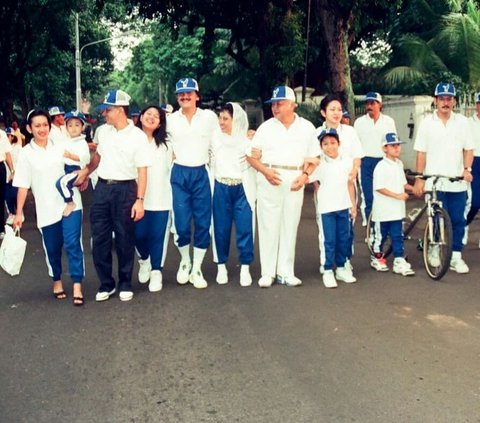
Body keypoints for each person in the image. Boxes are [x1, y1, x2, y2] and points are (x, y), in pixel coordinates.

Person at [75, 89, 151, 302]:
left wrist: (140, 200)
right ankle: (106, 283)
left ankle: (125, 282)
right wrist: (86, 172)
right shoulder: (103, 132)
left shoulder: (137, 136)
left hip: (126, 190)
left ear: (120, 110)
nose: (104, 113)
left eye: (108, 109)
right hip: (102, 189)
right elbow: (97, 159)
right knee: (99, 237)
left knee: (125, 237)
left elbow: (142, 170)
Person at [247, 85, 320, 288]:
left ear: (292, 105)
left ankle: (286, 271)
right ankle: (267, 272)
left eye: (280, 103)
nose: (275, 107)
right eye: (273, 104)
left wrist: (305, 177)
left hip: (294, 180)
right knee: (269, 225)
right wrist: (265, 171)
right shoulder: (266, 128)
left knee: (290, 225)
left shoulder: (306, 127)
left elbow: (314, 158)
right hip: (270, 178)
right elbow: (252, 157)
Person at [13, 109, 85, 305]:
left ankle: (77, 283)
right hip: (45, 208)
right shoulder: (26, 154)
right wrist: (19, 212)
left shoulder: (61, 145)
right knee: (52, 248)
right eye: (37, 126)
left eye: (45, 125)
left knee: (72, 244)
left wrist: (82, 177)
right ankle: (57, 279)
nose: (42, 129)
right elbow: (22, 185)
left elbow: (79, 164)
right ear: (29, 129)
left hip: (70, 204)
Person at [413, 82, 474, 274]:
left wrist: (467, 169)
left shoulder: (463, 123)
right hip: (434, 181)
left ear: (454, 101)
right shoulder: (426, 123)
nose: (445, 102)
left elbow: (469, 149)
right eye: (442, 99)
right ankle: (434, 248)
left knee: (458, 219)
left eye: (449, 99)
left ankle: (456, 255)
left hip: (457, 181)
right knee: (436, 219)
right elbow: (421, 153)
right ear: (435, 100)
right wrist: (420, 178)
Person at [167, 77, 220, 289]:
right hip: (179, 173)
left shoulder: (209, 117)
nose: (185, 96)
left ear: (197, 95)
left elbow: (222, 138)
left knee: (202, 222)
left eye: (189, 92)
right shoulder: (170, 119)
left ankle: (197, 267)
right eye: (181, 93)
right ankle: (185, 261)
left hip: (201, 173)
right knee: (180, 223)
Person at [316, 94, 364, 272]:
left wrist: (354, 171)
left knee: (346, 227)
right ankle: (326, 261)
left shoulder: (349, 132)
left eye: (339, 109)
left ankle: (344, 260)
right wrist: (317, 187)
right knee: (326, 227)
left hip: (348, 185)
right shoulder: (316, 134)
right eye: (332, 109)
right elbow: (314, 163)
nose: (336, 113)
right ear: (323, 112)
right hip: (325, 187)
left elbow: (357, 156)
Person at [211, 102, 256, 287]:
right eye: (220, 118)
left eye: (225, 119)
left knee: (245, 228)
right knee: (221, 229)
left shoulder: (247, 141)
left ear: (235, 120)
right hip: (221, 187)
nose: (221, 122)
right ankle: (221, 266)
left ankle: (245, 266)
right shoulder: (214, 138)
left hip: (242, 189)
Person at [311, 128, 357, 288]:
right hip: (326, 208)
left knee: (343, 238)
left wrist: (353, 206)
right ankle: (328, 269)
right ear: (321, 146)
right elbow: (310, 177)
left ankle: (342, 267)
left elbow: (350, 184)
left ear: (339, 143)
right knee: (329, 240)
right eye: (325, 144)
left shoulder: (347, 161)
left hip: (344, 206)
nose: (330, 147)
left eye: (332, 143)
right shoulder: (320, 163)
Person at [135, 105, 173, 292]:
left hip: (161, 197)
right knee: (139, 235)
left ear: (160, 123)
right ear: (140, 117)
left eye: (156, 116)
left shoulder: (166, 144)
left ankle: (157, 271)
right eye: (148, 114)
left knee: (158, 236)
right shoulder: (132, 140)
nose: (151, 117)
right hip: (137, 199)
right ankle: (144, 260)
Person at [370, 133, 415, 276]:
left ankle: (399, 259)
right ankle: (377, 257)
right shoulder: (381, 166)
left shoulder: (399, 164)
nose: (396, 148)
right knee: (380, 236)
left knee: (397, 235)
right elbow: (379, 187)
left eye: (398, 145)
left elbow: (403, 183)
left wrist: (414, 189)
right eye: (392, 145)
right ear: (385, 148)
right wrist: (397, 196)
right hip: (383, 211)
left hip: (397, 210)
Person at [354, 92, 397, 224]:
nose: (369, 106)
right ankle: (371, 229)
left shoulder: (389, 122)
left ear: (380, 104)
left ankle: (384, 228)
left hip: (383, 162)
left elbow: (393, 144)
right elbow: (356, 145)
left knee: (385, 196)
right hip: (366, 162)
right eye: (367, 103)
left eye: (373, 103)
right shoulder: (359, 122)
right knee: (368, 197)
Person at [55, 111, 90, 217]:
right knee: (62, 183)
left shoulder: (82, 142)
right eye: (70, 125)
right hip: (66, 168)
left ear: (82, 127)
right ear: (66, 128)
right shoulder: (67, 141)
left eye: (77, 125)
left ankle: (70, 202)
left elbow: (83, 158)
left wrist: (70, 155)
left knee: (61, 183)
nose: (73, 128)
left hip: (75, 169)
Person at [465, 92, 480, 240]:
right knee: (475, 202)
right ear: (476, 105)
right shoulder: (468, 123)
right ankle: (463, 224)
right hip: (474, 162)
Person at [4, 127, 22, 225]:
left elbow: (20, 162)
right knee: (7, 196)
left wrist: (14, 173)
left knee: (16, 195)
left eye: (9, 136)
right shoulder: (2, 148)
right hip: (5, 176)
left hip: (16, 176)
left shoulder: (17, 147)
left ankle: (19, 212)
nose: (7, 138)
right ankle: (11, 213)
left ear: (12, 137)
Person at [0, 128, 14, 238]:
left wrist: (12, 170)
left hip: (0, 166)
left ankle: (1, 228)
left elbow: (7, 153)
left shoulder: (2, 134)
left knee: (1, 198)